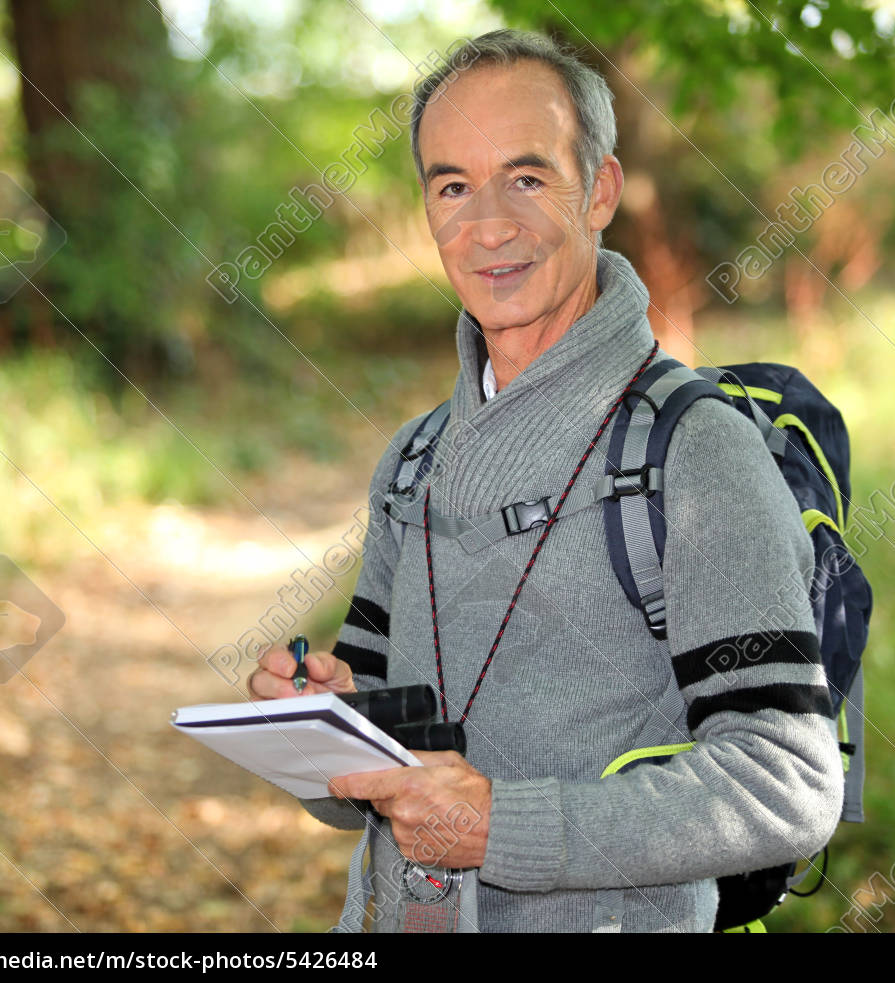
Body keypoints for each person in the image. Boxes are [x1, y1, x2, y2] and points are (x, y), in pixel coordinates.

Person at [247, 28, 843, 933]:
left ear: (600, 189)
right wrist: (318, 723)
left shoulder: (694, 454)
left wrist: (503, 827)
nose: (488, 223)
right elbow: (361, 788)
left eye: (527, 176)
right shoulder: (413, 462)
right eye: (452, 185)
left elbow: (787, 778)